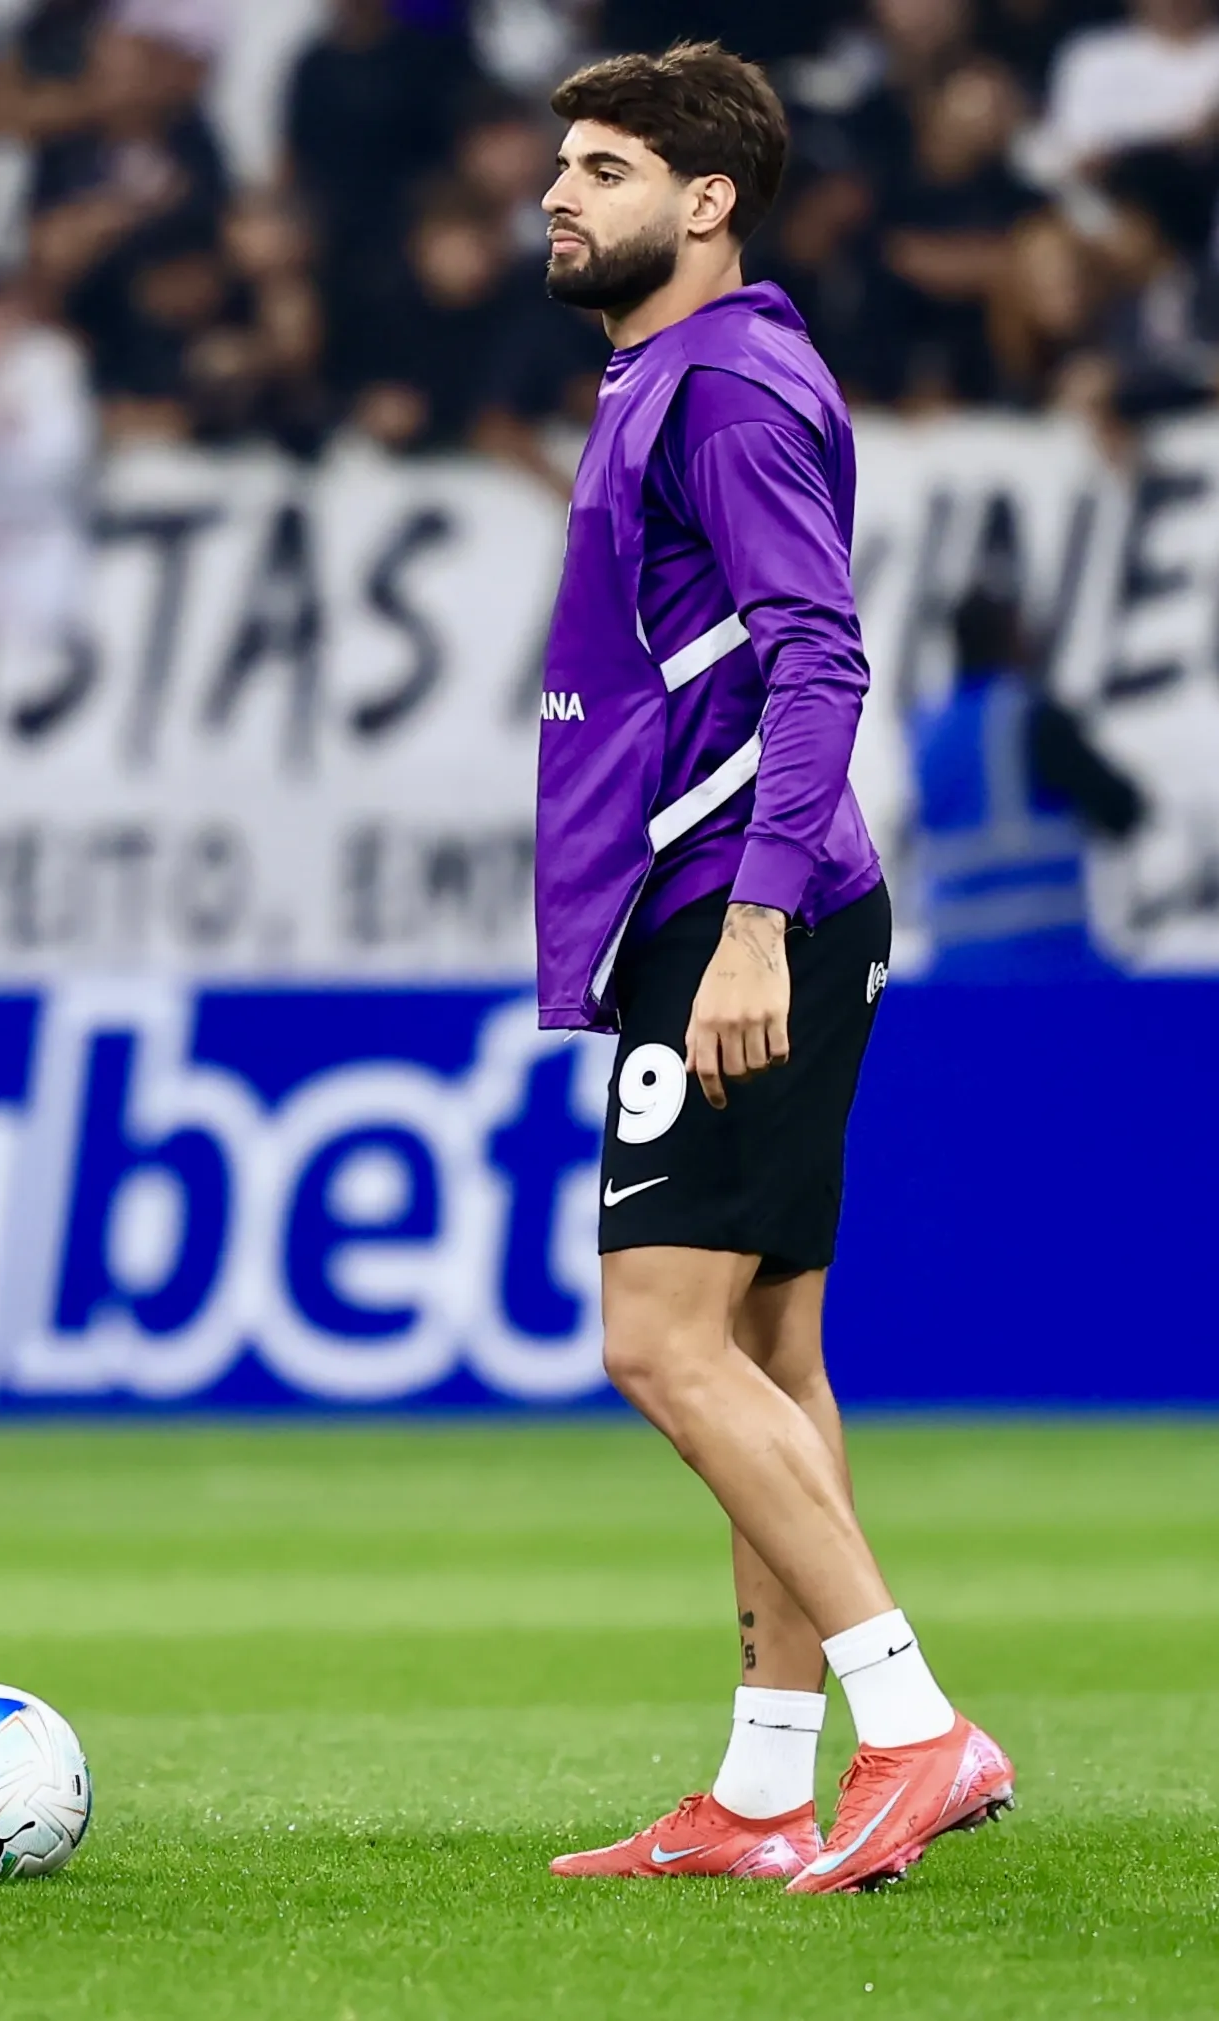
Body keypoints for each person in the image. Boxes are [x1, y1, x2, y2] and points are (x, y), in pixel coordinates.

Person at [528, 44, 1014, 1894]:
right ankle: (757, 1787)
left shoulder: (717, 388)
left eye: (600, 165)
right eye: (556, 164)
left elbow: (819, 658)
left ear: (703, 199)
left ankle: (914, 1729)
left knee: (653, 1336)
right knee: (762, 1340)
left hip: (746, 910)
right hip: (757, 899)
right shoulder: (670, 372)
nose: (558, 196)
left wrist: (746, 922)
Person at [911, 590, 1147, 981]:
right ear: (1009, 639)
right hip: (1043, 964)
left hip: (952, 968)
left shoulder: (929, 731)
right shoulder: (1031, 718)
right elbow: (1123, 810)